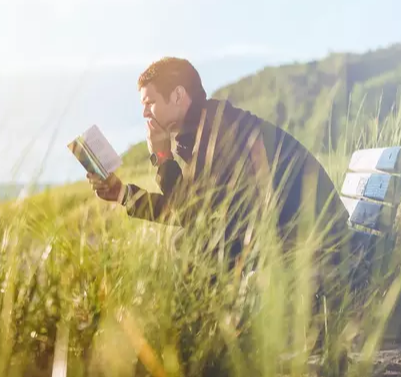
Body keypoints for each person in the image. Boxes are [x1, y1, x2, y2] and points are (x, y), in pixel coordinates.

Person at [87, 57, 352, 264]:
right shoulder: (204, 127)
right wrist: (122, 193)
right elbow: (191, 208)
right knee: (188, 243)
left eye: (150, 102)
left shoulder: (218, 131)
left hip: (318, 245)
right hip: (293, 236)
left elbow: (190, 214)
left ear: (178, 96)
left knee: (191, 245)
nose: (144, 112)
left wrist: (163, 157)